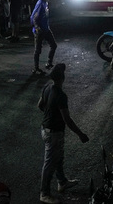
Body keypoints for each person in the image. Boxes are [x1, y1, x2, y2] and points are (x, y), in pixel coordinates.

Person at [37, 63, 87, 204]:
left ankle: (62, 181)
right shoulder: (61, 95)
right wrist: (80, 134)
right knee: (49, 164)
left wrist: (50, 113)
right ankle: (44, 193)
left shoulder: (47, 87)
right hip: (53, 133)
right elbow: (67, 120)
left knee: (58, 157)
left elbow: (40, 105)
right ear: (63, 78)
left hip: (45, 128)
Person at [31, 0, 57, 75]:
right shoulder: (40, 3)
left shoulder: (45, 2)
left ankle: (49, 63)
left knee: (53, 45)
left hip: (46, 29)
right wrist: (37, 28)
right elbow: (34, 17)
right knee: (38, 50)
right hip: (40, 30)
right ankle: (36, 68)